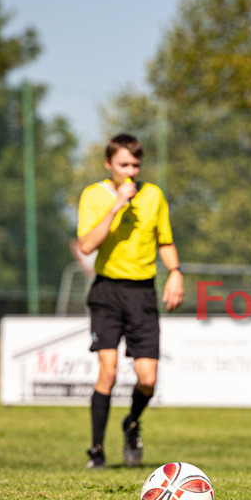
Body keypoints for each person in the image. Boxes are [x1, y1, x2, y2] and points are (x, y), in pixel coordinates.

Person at [77, 134, 184, 469]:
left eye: (136, 165)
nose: (131, 171)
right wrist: (116, 206)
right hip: (107, 292)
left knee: (148, 379)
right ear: (109, 164)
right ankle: (96, 451)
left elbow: (164, 241)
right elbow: (86, 245)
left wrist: (176, 272)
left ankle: (132, 424)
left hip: (142, 294)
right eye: (124, 164)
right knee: (107, 372)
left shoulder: (153, 196)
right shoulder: (94, 195)